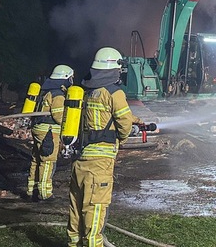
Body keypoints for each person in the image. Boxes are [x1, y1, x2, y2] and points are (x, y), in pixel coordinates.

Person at [67, 47, 143, 247]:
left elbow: (101, 117)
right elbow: (123, 123)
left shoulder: (86, 91)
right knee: (95, 208)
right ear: (114, 69)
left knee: (76, 208)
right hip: (99, 164)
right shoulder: (114, 92)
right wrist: (124, 139)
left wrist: (137, 120)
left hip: (80, 159)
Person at [25, 64, 73, 201]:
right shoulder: (58, 95)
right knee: (48, 162)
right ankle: (45, 194)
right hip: (48, 132)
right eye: (70, 78)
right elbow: (58, 117)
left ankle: (31, 190)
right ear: (65, 78)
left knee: (36, 159)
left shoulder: (44, 91)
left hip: (38, 128)